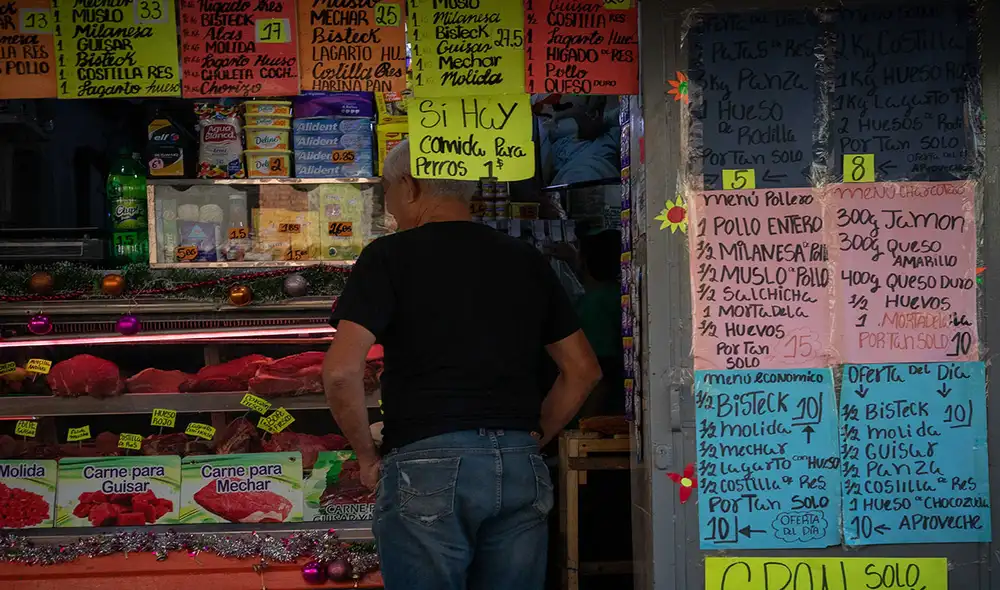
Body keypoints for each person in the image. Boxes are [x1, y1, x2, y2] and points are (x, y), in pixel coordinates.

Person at [322, 139, 603, 590]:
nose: (389, 206)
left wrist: (365, 454)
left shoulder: (388, 256)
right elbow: (583, 370)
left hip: (426, 461)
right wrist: (534, 435)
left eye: (388, 192)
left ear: (409, 186)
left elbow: (340, 372)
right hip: (518, 464)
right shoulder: (524, 259)